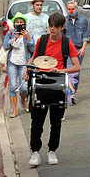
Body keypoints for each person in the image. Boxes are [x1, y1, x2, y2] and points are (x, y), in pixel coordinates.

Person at [24, 12, 81, 167]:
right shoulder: (41, 41)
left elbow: (77, 66)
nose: (52, 30)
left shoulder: (66, 43)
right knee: (37, 120)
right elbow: (34, 58)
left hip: (58, 82)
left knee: (56, 121)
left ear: (62, 27)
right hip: (41, 81)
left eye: (55, 27)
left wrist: (62, 71)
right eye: (50, 26)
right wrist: (27, 69)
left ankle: (52, 150)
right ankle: (35, 152)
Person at [3, 13, 35, 117]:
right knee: (13, 86)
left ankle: (23, 100)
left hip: (24, 64)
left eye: (21, 22)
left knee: (24, 88)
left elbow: (33, 49)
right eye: (17, 22)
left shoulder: (28, 34)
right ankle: (14, 110)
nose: (19, 24)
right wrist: (14, 39)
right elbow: (5, 45)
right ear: (14, 24)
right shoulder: (10, 34)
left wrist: (29, 38)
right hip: (12, 62)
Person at [64, 1, 88, 95]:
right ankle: (70, 93)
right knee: (70, 70)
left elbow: (85, 34)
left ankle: (74, 92)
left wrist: (83, 48)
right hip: (69, 49)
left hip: (79, 49)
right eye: (69, 9)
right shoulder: (65, 21)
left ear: (76, 9)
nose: (71, 11)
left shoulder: (83, 20)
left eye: (73, 9)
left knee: (77, 72)